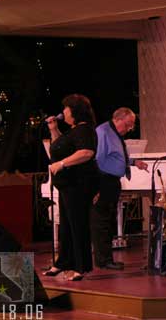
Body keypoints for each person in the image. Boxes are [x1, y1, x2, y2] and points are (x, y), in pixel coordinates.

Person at [43, 94, 98, 281]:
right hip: (67, 186)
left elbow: (86, 152)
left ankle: (79, 266)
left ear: (74, 111)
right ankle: (62, 262)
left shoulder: (84, 130)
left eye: (66, 108)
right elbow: (60, 147)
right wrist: (54, 130)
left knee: (77, 224)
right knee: (66, 225)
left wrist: (62, 164)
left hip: (79, 185)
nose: (63, 111)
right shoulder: (72, 131)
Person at [91, 107, 148, 270]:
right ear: (118, 119)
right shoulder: (103, 132)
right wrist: (96, 187)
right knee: (101, 222)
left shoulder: (115, 134)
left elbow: (118, 156)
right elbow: (96, 159)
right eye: (128, 125)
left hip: (112, 181)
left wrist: (134, 162)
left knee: (108, 221)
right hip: (103, 180)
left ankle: (107, 258)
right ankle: (103, 260)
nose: (130, 129)